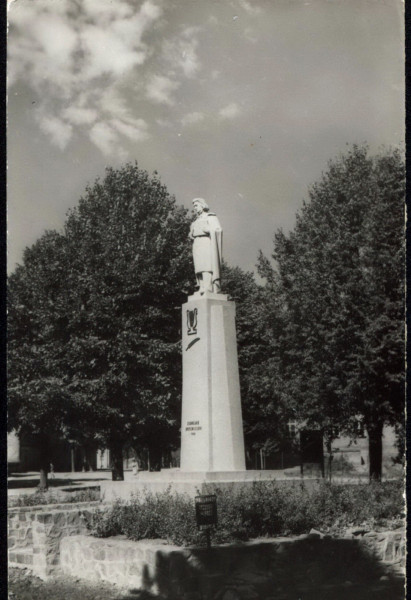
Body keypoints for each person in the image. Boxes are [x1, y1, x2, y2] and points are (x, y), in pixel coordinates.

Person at [189, 198, 222, 294]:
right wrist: (191, 233)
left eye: (196, 205)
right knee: (199, 266)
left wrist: (208, 229)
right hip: (197, 242)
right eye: (194, 206)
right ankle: (202, 287)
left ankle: (208, 287)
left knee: (206, 265)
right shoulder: (196, 220)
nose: (195, 208)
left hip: (206, 241)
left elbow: (218, 229)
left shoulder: (210, 216)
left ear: (202, 205)